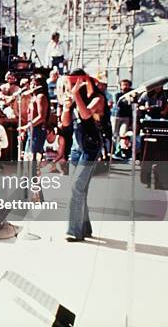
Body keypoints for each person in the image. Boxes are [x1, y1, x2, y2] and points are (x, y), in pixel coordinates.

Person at [61, 69, 106, 242]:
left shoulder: (98, 98)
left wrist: (75, 95)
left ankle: (74, 231)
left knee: (76, 187)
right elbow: (65, 124)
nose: (72, 86)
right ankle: (85, 228)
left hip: (91, 146)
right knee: (80, 189)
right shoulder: (73, 98)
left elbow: (86, 114)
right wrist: (66, 107)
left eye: (75, 83)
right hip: (76, 145)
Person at [18, 74, 50, 200]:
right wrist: (25, 129)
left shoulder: (41, 97)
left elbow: (41, 117)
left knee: (33, 163)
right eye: (31, 82)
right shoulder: (34, 97)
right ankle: (28, 193)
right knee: (27, 161)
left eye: (34, 82)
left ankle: (36, 194)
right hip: (32, 131)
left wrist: (26, 126)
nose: (31, 84)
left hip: (37, 131)